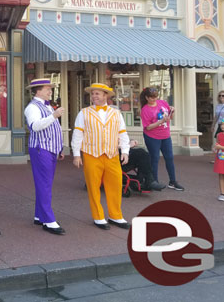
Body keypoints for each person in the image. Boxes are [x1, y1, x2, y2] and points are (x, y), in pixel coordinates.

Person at [71, 83, 131, 230]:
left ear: (105, 96)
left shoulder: (116, 113)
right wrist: (76, 154)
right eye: (92, 94)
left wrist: (125, 151)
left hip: (111, 154)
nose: (94, 96)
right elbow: (78, 134)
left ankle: (115, 216)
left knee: (116, 185)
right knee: (93, 186)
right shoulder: (83, 113)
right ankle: (98, 217)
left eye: (97, 93)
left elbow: (122, 133)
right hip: (92, 154)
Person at [24, 78, 65, 235]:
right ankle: (48, 220)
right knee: (45, 184)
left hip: (49, 149)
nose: (50, 91)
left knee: (45, 183)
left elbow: (53, 129)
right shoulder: (33, 107)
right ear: (38, 90)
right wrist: (54, 115)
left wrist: (59, 148)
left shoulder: (46, 106)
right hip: (41, 149)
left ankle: (39, 215)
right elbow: (35, 126)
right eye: (48, 89)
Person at [139, 87, 183, 191]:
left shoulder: (162, 103)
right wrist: (161, 121)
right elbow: (148, 127)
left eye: (155, 97)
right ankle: (154, 182)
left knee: (169, 158)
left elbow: (169, 118)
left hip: (165, 135)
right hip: (152, 137)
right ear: (146, 97)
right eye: (151, 97)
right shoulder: (145, 110)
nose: (154, 99)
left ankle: (173, 181)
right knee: (155, 159)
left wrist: (173, 111)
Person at [213, 120, 224, 200]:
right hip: (220, 158)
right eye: (221, 124)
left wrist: (220, 147)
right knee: (221, 176)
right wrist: (215, 148)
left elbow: (219, 146)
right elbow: (217, 145)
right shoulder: (218, 135)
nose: (222, 126)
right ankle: (222, 194)